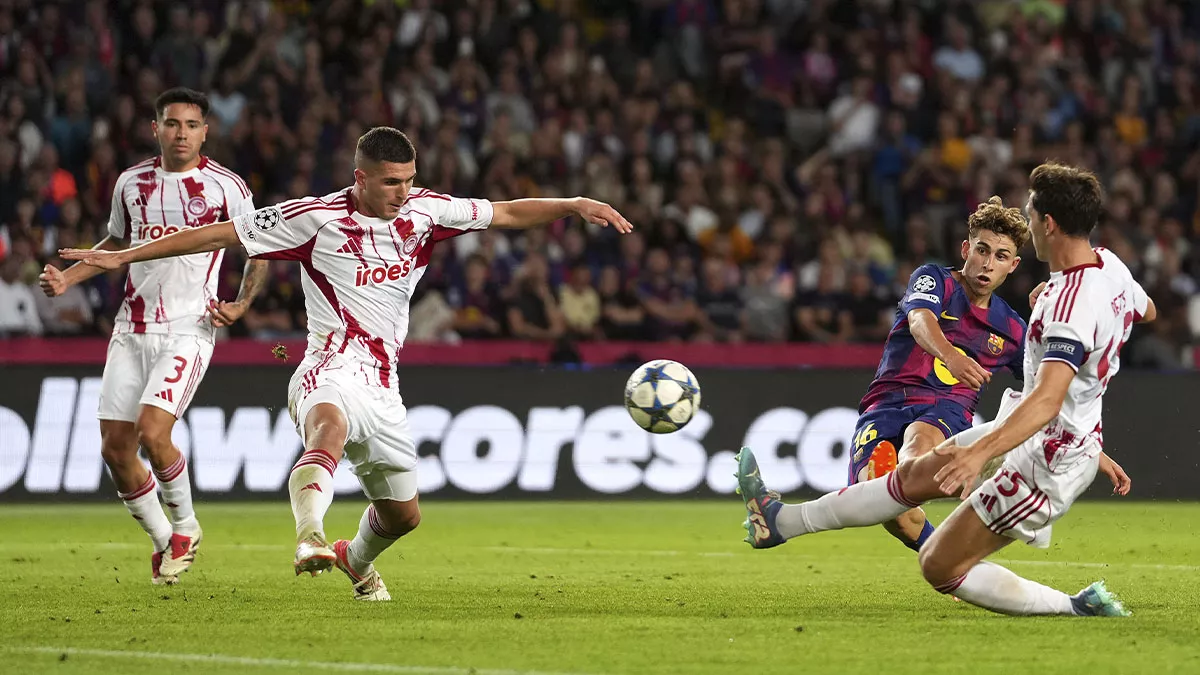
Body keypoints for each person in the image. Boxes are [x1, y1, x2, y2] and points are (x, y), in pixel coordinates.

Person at [61, 126, 633, 601]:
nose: (403, 192)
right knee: (327, 428)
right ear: (360, 178)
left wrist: (572, 204)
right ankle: (309, 534)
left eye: (409, 179)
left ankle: (353, 558)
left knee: (405, 516)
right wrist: (125, 256)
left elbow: (505, 213)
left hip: (385, 384)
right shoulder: (313, 217)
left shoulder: (428, 210)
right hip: (328, 363)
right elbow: (220, 234)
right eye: (391, 182)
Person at [735, 163, 1146, 617]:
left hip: (1045, 455)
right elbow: (1142, 310)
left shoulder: (1057, 308)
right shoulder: (1108, 267)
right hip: (987, 422)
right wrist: (1059, 290)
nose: (991, 261)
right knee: (905, 484)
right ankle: (778, 520)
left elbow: (1049, 398)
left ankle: (1075, 606)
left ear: (1047, 225)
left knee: (937, 562)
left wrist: (989, 452)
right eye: (982, 250)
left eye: (1029, 216)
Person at [40, 87, 267, 585]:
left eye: (190, 125)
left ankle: (186, 527)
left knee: (152, 431)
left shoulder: (227, 187)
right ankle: (166, 540)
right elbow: (118, 243)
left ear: (205, 131)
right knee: (115, 449)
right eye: (171, 123)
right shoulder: (130, 183)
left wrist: (243, 303)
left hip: (190, 326)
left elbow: (260, 249)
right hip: (131, 326)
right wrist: (67, 276)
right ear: (155, 128)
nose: (180, 133)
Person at [847, 196, 1028, 552]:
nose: (987, 264)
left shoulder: (1012, 329)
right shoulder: (935, 281)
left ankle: (946, 474)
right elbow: (919, 320)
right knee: (889, 508)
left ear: (1013, 265)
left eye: (1000, 256)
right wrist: (950, 356)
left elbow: (1048, 389)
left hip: (945, 408)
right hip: (885, 402)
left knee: (917, 443)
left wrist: (1090, 447)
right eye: (982, 250)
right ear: (966, 249)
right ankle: (954, 566)